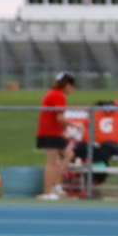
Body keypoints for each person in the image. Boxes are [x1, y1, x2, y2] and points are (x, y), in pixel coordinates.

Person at [35, 72, 84, 200]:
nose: (72, 89)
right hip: (49, 133)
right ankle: (48, 192)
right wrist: (75, 125)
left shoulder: (54, 94)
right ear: (67, 85)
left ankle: (56, 183)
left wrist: (63, 128)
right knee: (51, 162)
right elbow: (60, 117)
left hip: (53, 132)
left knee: (69, 154)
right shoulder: (58, 95)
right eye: (71, 86)